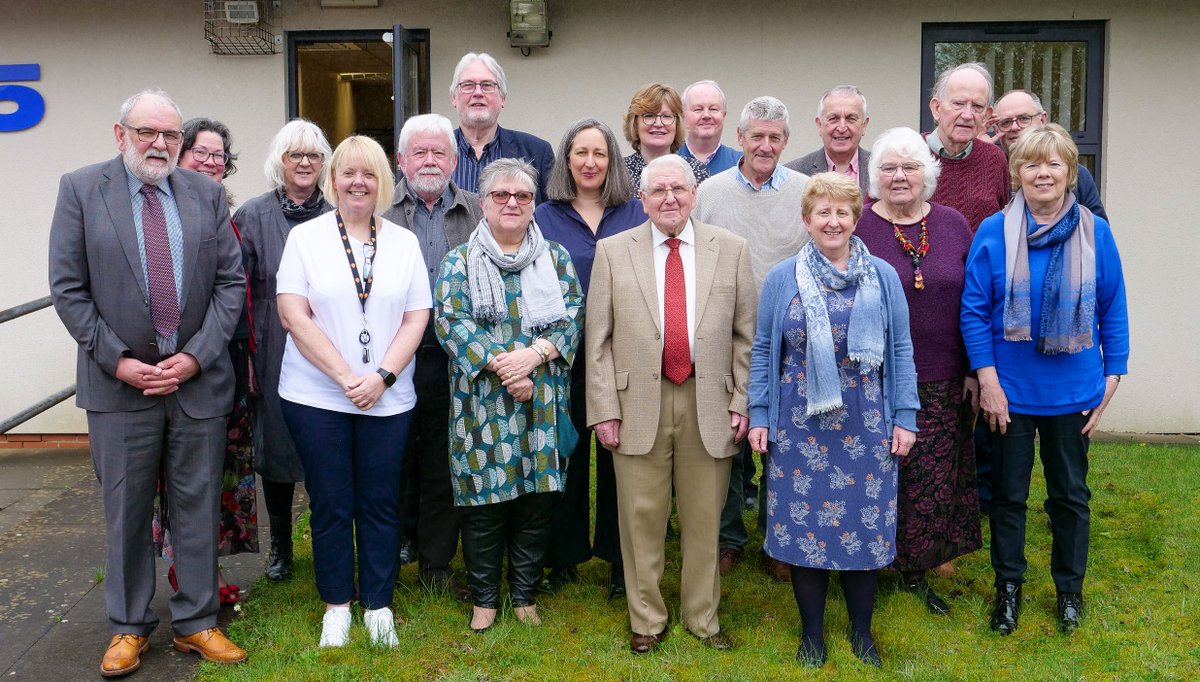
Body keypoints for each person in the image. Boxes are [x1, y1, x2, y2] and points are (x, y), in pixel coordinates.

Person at [48, 88, 247, 676]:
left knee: (197, 507)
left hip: (196, 384)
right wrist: (117, 361)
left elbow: (230, 285)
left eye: (170, 135)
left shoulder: (206, 195)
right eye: (147, 133)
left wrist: (195, 357)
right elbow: (68, 287)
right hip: (120, 388)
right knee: (127, 511)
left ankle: (196, 623)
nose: (160, 144)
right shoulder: (81, 189)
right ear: (121, 134)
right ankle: (129, 627)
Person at [961, 123, 1128, 636]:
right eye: (1032, 164)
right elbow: (973, 310)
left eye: (1054, 163)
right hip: (1008, 390)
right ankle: (1008, 588)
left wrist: (1114, 372)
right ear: (1017, 173)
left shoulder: (1095, 231)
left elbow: (1113, 305)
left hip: (1073, 386)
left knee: (1069, 496)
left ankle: (1068, 593)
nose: (1043, 173)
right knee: (1008, 496)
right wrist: (987, 380)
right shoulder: (993, 230)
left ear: (1070, 171)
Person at [748, 172, 919, 668]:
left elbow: (901, 349)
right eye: (822, 212)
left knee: (862, 529)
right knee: (805, 530)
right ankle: (812, 636)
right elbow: (765, 350)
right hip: (799, 427)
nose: (833, 220)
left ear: (855, 218)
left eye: (842, 212)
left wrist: (904, 416)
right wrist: (760, 413)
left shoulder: (883, 276)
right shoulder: (783, 278)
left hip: (867, 424)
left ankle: (862, 633)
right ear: (806, 220)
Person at [587, 155, 756, 654]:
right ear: (642, 199)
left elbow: (746, 337)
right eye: (658, 190)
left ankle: (703, 618)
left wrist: (742, 400)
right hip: (636, 399)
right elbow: (597, 340)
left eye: (678, 189)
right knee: (641, 518)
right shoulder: (614, 251)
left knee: (706, 518)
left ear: (694, 193)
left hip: (710, 400)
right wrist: (604, 408)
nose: (669, 198)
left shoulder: (731, 249)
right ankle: (647, 619)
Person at [276, 135, 431, 648]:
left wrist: (381, 377)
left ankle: (379, 604)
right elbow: (293, 313)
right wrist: (346, 377)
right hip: (316, 395)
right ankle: (337, 604)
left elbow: (417, 317)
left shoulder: (404, 243)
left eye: (368, 173)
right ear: (333, 180)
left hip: (388, 395)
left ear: (382, 181)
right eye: (347, 173)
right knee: (331, 502)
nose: (358, 182)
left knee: (382, 501)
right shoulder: (306, 239)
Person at [435, 158, 583, 632]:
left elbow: (573, 317)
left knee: (535, 502)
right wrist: (507, 367)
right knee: (485, 503)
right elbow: (450, 322)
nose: (512, 203)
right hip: (481, 405)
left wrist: (532, 360)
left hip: (542, 400)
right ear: (483, 202)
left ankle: (523, 596)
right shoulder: (459, 260)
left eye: (522, 196)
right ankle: (484, 599)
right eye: (501, 195)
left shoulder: (555, 258)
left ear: (534, 204)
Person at [855, 127, 982, 615]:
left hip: (943, 372)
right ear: (875, 177)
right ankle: (869, 560)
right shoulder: (859, 227)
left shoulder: (952, 224)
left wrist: (973, 369)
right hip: (873, 375)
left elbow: (975, 302)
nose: (900, 176)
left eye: (910, 166)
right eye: (889, 167)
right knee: (878, 470)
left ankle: (916, 570)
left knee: (931, 474)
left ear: (928, 174)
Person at [694, 95, 809, 582]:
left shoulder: (805, 191)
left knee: (783, 441)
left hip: (792, 338)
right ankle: (727, 538)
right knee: (728, 441)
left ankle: (777, 538)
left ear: (786, 141)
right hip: (723, 336)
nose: (765, 145)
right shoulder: (710, 191)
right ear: (738, 139)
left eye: (775, 137)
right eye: (756, 136)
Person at [534, 118, 647, 599]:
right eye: (580, 153)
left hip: (625, 353)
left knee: (623, 456)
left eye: (600, 153)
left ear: (613, 161)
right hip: (563, 354)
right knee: (567, 452)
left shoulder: (636, 213)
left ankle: (624, 561)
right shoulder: (543, 216)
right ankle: (563, 555)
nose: (590, 162)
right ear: (566, 160)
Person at [153, 117, 257, 607]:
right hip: (182, 362)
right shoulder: (167, 208)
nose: (212, 162)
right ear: (179, 154)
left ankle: (206, 573)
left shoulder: (221, 208)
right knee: (182, 477)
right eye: (202, 153)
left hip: (228, 359)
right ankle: (188, 575)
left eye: (220, 156)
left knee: (217, 476)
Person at [381, 113, 482, 603]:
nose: (428, 161)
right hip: (391, 358)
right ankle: (394, 548)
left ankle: (436, 564)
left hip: (453, 361)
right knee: (393, 458)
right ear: (401, 161)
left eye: (438, 152)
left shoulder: (479, 213)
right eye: (418, 152)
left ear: (454, 160)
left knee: (443, 461)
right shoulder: (378, 213)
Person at [235, 119, 333, 583]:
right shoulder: (251, 217)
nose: (305, 163)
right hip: (270, 346)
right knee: (275, 452)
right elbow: (236, 293)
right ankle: (281, 547)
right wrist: (248, 359)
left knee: (324, 448)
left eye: (313, 155)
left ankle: (324, 540)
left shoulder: (338, 215)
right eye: (296, 155)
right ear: (281, 161)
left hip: (328, 346)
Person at [448, 52, 555, 202]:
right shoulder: (434, 153)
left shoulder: (537, 153)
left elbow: (551, 217)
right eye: (468, 85)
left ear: (502, 98)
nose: (478, 92)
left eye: (487, 85)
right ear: (454, 98)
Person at [988, 89, 1107, 220]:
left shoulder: (1077, 174)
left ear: (1043, 119)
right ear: (996, 129)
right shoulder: (989, 173)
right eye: (1006, 122)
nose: (1015, 127)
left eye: (1024, 118)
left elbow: (1098, 233)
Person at [924, 63, 1010, 232]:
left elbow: (1004, 226)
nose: (967, 115)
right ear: (936, 108)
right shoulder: (908, 154)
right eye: (958, 103)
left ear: (986, 115)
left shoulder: (995, 160)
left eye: (977, 106)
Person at [784, 85, 872, 194]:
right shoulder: (792, 175)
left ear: (864, 125)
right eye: (833, 119)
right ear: (819, 124)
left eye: (851, 119)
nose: (842, 128)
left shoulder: (881, 169)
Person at [622, 83, 710, 186]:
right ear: (635, 123)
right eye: (649, 116)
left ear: (677, 124)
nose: (658, 123)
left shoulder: (697, 171)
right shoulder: (617, 172)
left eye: (666, 116)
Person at [678, 80, 742, 175]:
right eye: (698, 109)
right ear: (683, 116)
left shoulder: (741, 164)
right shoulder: (667, 159)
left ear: (724, 115)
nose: (706, 115)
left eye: (713, 109)